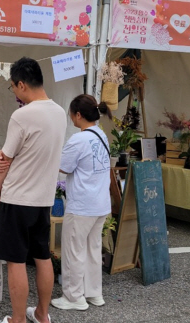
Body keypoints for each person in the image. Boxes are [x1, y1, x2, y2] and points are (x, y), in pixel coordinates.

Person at [0, 57, 67, 323]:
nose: (15, 93)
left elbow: (5, 162)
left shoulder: (22, 115)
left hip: (17, 197)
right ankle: (43, 315)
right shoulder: (59, 112)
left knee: (16, 261)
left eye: (12, 87)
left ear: (21, 84)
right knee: (42, 256)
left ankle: (18, 319)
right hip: (43, 199)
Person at [50, 94, 112, 311]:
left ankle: (73, 297)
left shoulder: (79, 139)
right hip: (101, 203)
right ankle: (94, 293)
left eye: (71, 114)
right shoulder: (101, 135)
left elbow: (64, 167)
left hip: (83, 204)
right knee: (92, 249)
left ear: (78, 114)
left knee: (73, 251)